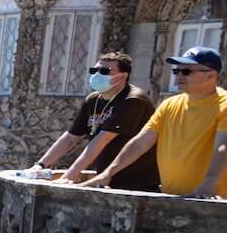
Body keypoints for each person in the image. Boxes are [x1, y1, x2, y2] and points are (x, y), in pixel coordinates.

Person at [83, 46, 227, 199]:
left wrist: (209, 183)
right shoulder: (169, 104)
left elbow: (224, 147)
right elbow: (141, 142)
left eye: (186, 71)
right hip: (172, 200)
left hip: (214, 201)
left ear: (211, 75)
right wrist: (108, 173)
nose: (179, 75)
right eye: (176, 71)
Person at [38, 49, 159, 188]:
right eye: (94, 70)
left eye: (105, 71)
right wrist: (40, 165)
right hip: (106, 176)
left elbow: (104, 138)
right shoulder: (93, 99)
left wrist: (70, 176)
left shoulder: (133, 100)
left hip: (137, 180)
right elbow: (71, 137)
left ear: (123, 76)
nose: (97, 75)